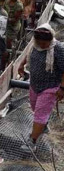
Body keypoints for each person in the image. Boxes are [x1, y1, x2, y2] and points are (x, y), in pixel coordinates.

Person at [18, 24, 64, 152]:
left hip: (50, 87)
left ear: (50, 40)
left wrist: (62, 88)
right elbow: (28, 56)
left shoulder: (59, 49)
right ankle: (42, 125)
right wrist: (21, 65)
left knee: (40, 114)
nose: (42, 46)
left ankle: (32, 141)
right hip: (35, 84)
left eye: (45, 43)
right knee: (34, 107)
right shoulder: (35, 45)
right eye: (40, 43)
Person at [3, 0, 23, 65]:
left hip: (12, 27)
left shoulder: (19, 6)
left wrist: (4, 19)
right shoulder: (6, 1)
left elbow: (15, 20)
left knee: (8, 44)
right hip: (4, 24)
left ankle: (7, 60)